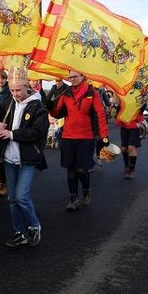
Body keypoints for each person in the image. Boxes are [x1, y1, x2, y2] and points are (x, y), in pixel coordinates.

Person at [0, 67, 49, 247]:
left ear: (27, 86)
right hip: (9, 158)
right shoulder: (9, 103)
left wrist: (11, 134)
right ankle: (20, 231)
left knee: (21, 196)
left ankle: (34, 226)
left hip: (28, 158)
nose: (15, 94)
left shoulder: (38, 107)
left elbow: (37, 132)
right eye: (12, 90)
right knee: (12, 199)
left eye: (18, 90)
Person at [47, 71, 109, 212]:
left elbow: (100, 114)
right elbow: (58, 113)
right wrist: (50, 107)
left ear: (83, 77)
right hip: (68, 136)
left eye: (75, 76)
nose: (72, 79)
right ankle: (73, 199)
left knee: (81, 169)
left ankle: (86, 191)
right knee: (71, 169)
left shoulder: (92, 92)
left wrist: (104, 136)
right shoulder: (66, 93)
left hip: (86, 137)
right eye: (70, 77)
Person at [117, 111, 144, 179]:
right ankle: (126, 165)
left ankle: (131, 169)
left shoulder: (137, 100)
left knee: (131, 147)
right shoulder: (123, 100)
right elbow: (118, 111)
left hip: (134, 126)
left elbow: (142, 108)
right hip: (124, 126)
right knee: (123, 148)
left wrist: (140, 122)